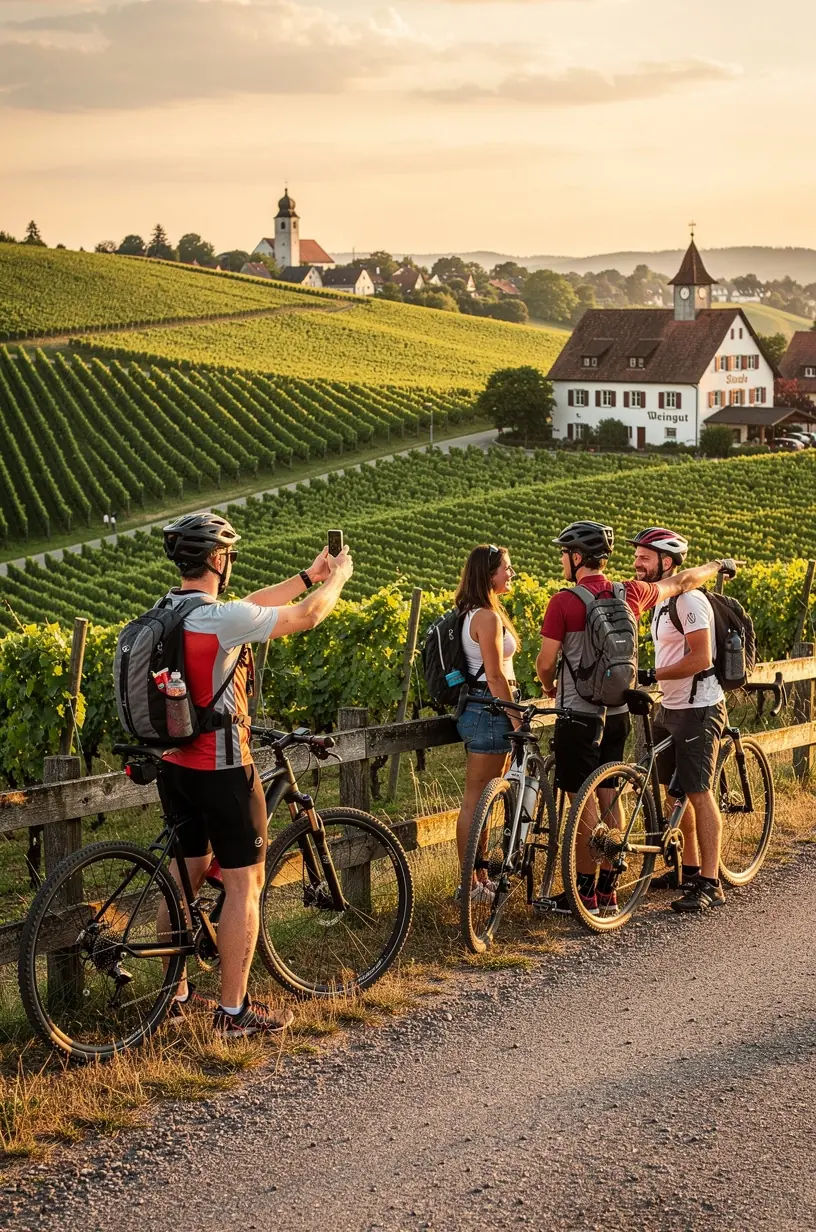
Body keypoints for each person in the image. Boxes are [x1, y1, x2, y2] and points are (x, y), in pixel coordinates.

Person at [156, 511, 353, 1036]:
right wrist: (336, 579)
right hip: (221, 767)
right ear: (218, 559)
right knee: (247, 882)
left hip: (173, 764)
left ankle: (172, 995)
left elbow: (252, 607)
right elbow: (307, 617)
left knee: (184, 873)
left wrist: (307, 575)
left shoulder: (171, 612)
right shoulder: (220, 620)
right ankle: (233, 1012)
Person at [536, 521, 732, 915]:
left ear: (576, 559)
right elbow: (682, 581)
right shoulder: (630, 593)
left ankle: (584, 891)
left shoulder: (564, 601)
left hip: (579, 713)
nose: (561, 559)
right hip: (620, 710)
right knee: (611, 793)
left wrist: (548, 687)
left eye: (563, 553)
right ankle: (609, 890)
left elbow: (545, 663)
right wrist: (715, 565)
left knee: (582, 798)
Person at [630, 527, 737, 913]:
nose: (637, 563)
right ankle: (687, 871)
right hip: (670, 706)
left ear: (668, 562)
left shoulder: (689, 602)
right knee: (673, 792)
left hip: (698, 707)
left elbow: (700, 659)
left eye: (644, 557)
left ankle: (710, 883)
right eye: (637, 557)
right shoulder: (662, 601)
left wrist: (653, 676)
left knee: (698, 791)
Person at [453, 544, 520, 904]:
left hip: (481, 711)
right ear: (488, 574)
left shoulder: (470, 612)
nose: (511, 574)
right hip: (491, 711)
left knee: (481, 801)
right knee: (476, 800)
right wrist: (516, 716)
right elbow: (495, 676)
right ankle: (470, 885)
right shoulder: (487, 617)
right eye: (506, 568)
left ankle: (478, 878)